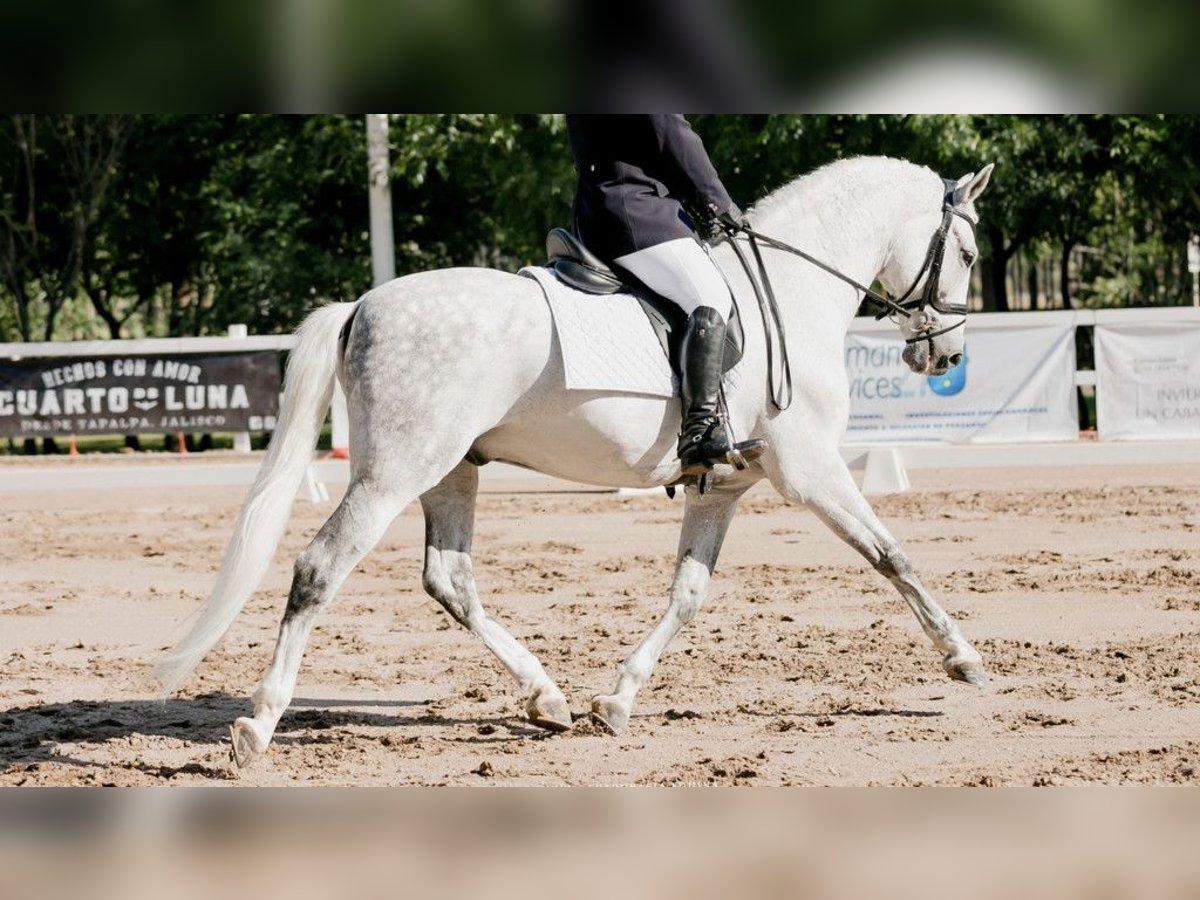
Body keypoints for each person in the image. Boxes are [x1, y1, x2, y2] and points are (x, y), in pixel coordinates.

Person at [565, 114, 767, 475]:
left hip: (595, 214)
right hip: (635, 212)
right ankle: (700, 430)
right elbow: (670, 132)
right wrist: (718, 204)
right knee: (710, 297)